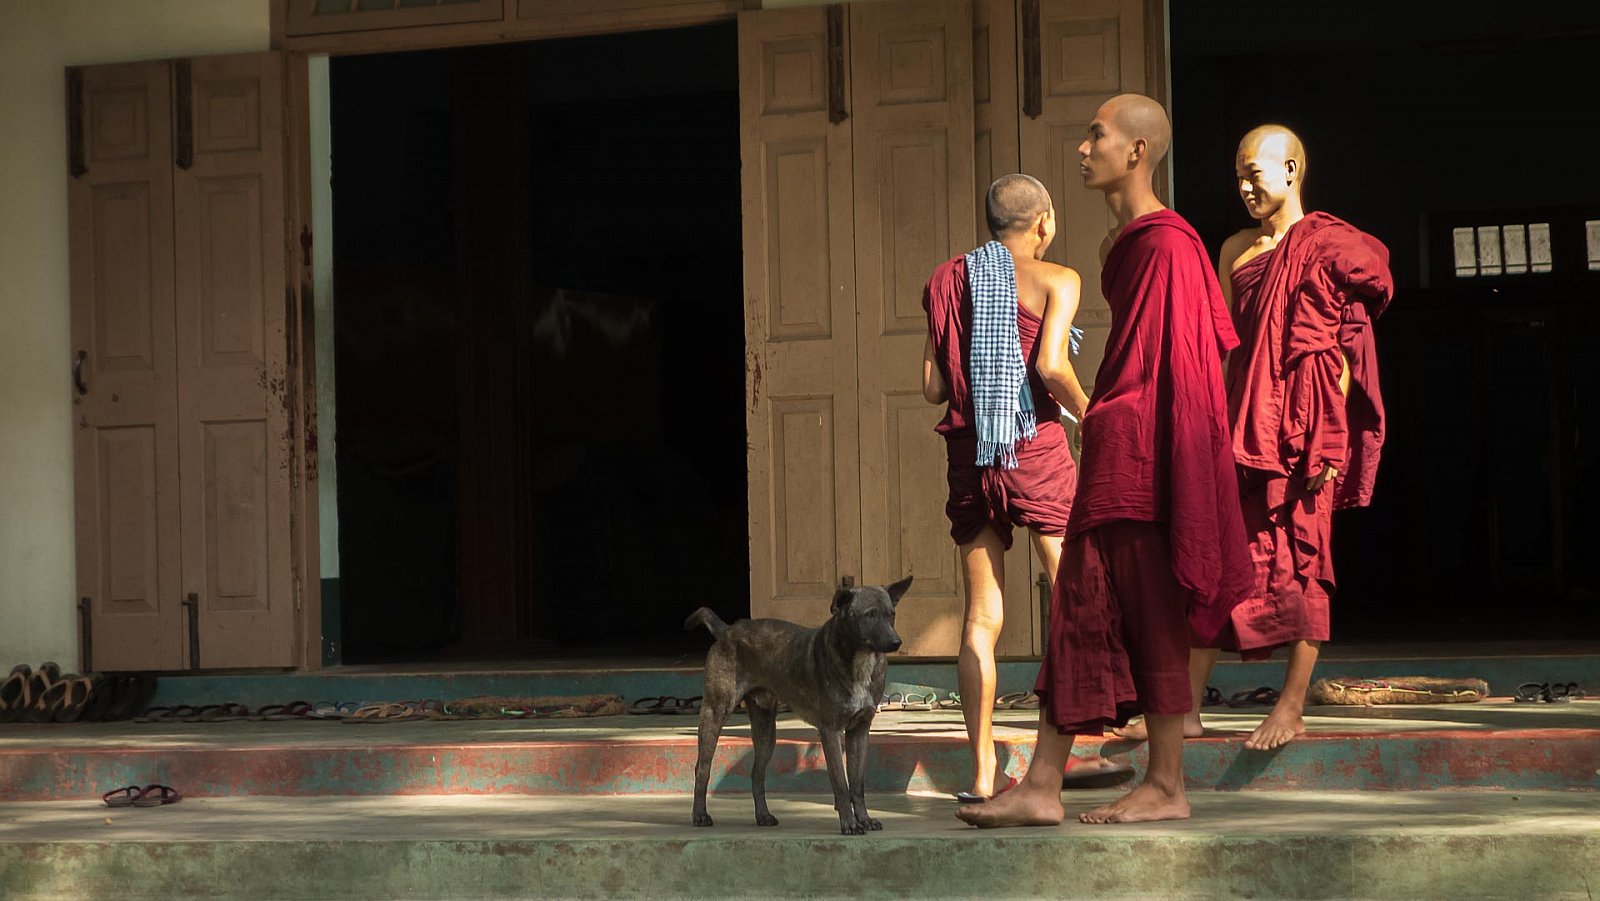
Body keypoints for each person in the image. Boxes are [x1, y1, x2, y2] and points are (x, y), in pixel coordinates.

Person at [956, 93, 1251, 827]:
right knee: (1083, 609)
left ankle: (1162, 784)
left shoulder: (1168, 243)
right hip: (1122, 447)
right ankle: (1045, 785)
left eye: (1097, 135)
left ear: (1137, 151)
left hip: (1143, 451)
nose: (1083, 148)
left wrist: (1132, 431)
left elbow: (1189, 360)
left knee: (1142, 612)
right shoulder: (1119, 246)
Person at [1126, 125, 1394, 751]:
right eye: (1238, 177)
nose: (1245, 188)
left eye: (1255, 174)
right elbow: (1223, 347)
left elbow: (1344, 349)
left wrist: (1329, 440)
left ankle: (1291, 706)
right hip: (1241, 424)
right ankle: (1185, 709)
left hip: (1304, 428)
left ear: (1292, 170)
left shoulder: (1330, 246)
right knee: (1213, 562)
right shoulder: (1235, 250)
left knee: (1305, 561)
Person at [921, 173, 1089, 802]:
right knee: (1073, 598)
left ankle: (982, 772)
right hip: (1035, 447)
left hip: (971, 454)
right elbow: (1051, 365)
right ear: (1044, 222)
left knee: (981, 618)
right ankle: (1070, 751)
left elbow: (933, 388)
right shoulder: (1058, 279)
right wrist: (1089, 412)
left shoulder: (949, 280)